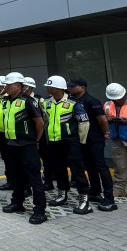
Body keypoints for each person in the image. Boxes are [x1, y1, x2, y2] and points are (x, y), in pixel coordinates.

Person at [0, 72, 48, 225]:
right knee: (16, 177)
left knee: (34, 178)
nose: (6, 87)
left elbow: (39, 123)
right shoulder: (6, 101)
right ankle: (17, 202)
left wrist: (35, 140)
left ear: (19, 86)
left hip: (27, 145)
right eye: (6, 84)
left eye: (9, 85)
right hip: (11, 145)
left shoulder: (28, 101)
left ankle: (39, 211)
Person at [43, 76, 93, 214]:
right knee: (59, 170)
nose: (47, 88)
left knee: (77, 171)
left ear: (58, 88)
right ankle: (62, 194)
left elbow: (84, 123)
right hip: (54, 142)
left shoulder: (73, 103)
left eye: (50, 86)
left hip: (71, 142)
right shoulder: (47, 103)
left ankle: (84, 201)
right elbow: (45, 121)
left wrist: (81, 142)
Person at [68, 78, 117, 211]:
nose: (70, 88)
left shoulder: (91, 101)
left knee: (101, 167)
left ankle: (109, 199)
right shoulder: (73, 100)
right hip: (83, 138)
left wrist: (106, 133)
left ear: (82, 87)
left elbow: (102, 119)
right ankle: (95, 192)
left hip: (95, 138)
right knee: (90, 166)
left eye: (74, 86)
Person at [24, 77, 54, 191]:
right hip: (28, 133)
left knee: (45, 158)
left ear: (30, 86)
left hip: (39, 132)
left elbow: (45, 117)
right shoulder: (20, 99)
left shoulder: (39, 99)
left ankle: (48, 181)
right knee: (30, 160)